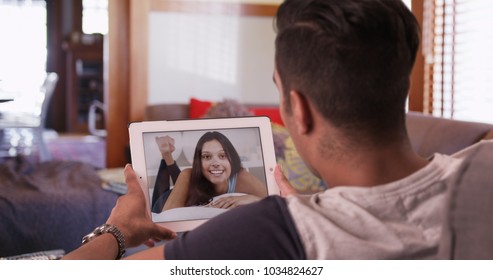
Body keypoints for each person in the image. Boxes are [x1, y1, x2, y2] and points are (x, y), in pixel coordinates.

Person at [62, 0, 488, 260]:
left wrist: (119, 232)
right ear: (401, 84)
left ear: (296, 110)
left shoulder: (273, 230)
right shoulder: (481, 169)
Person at [152, 131, 267, 212]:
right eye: (207, 157)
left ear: (232, 159)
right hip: (163, 202)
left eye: (222, 156)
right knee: (185, 178)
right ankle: (166, 156)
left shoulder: (241, 177)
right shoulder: (187, 175)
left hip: (192, 189)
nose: (216, 163)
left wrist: (252, 199)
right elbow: (167, 219)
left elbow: (275, 202)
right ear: (199, 162)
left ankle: (167, 156)